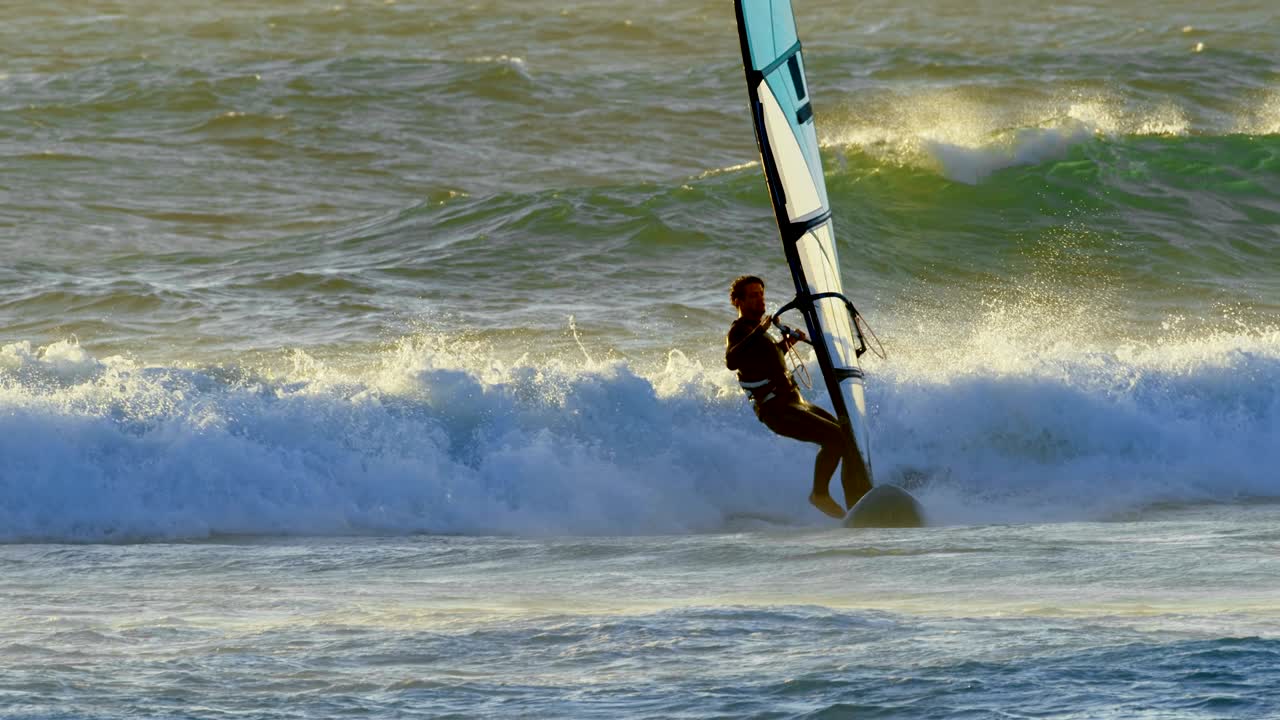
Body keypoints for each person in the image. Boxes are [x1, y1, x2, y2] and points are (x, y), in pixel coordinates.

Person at [724, 275, 871, 519]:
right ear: (738, 301)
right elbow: (731, 361)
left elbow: (767, 360)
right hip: (776, 409)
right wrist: (760, 331)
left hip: (795, 402)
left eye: (761, 294)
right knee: (835, 438)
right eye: (753, 295)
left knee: (846, 436)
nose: (760, 300)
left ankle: (856, 498)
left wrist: (787, 344)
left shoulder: (760, 333)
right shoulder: (739, 331)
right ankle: (819, 494)